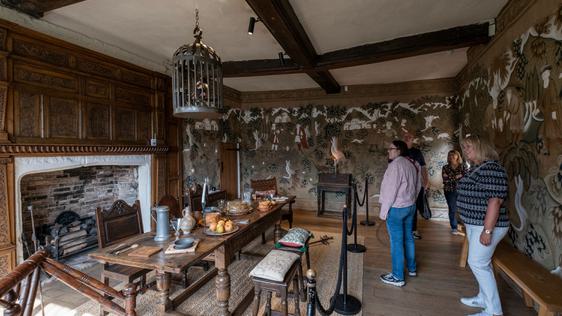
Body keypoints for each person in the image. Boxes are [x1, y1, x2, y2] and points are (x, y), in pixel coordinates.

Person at [457, 135, 509, 316]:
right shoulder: (479, 168)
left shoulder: (492, 169)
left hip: (486, 226)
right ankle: (482, 297)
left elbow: (495, 202)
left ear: (481, 148)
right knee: (481, 263)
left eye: (469, 147)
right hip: (475, 225)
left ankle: (494, 311)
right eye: (464, 147)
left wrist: (487, 230)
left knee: (478, 263)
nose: (465, 151)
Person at [379, 140, 422, 287]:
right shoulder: (412, 164)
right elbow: (418, 185)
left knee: (396, 242)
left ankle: (398, 276)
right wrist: (412, 200)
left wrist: (383, 212)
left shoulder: (396, 165)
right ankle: (412, 268)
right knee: (409, 238)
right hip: (410, 206)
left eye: (390, 149)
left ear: (398, 150)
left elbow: (390, 192)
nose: (388, 151)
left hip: (396, 208)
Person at [403, 132, 429, 239]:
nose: (408, 138)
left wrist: (426, 181)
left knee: (413, 207)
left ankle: (413, 229)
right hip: (402, 185)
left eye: (410, 137)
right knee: (403, 206)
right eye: (406, 137)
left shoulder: (417, 152)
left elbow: (423, 167)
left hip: (415, 184)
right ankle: (403, 229)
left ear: (413, 139)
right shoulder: (399, 151)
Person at [442, 149, 466, 235]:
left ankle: (464, 225)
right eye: (449, 155)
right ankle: (454, 227)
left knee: (463, 208)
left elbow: (466, 178)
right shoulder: (445, 167)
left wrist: (451, 177)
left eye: (453, 155)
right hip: (449, 191)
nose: (451, 156)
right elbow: (445, 180)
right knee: (452, 209)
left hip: (462, 191)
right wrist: (459, 176)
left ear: (457, 156)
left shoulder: (463, 166)